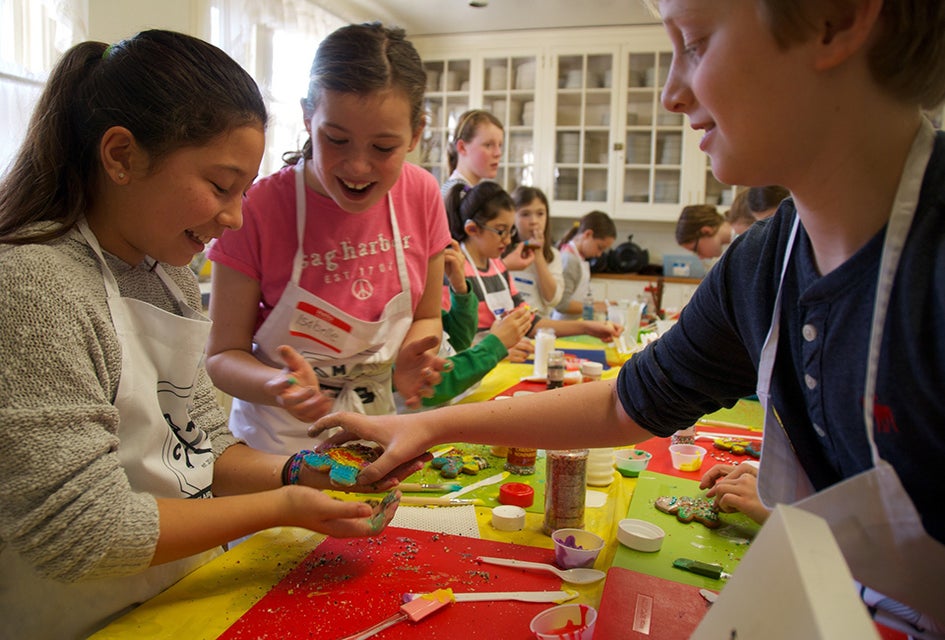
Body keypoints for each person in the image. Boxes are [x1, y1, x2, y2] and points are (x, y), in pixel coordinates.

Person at [311, 0, 945, 630]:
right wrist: (432, 428)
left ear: (835, 20)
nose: (671, 92)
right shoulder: (761, 265)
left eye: (694, 44)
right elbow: (624, 404)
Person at [0, 30, 419, 640]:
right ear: (120, 156)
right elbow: (82, 532)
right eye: (221, 187)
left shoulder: (161, 274)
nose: (235, 217)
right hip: (79, 618)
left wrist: (302, 470)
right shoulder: (31, 286)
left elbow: (202, 450)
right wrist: (284, 505)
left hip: (175, 599)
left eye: (244, 191)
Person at [205, 23, 451, 455]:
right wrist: (279, 385)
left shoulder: (422, 194)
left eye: (383, 148)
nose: (357, 167)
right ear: (307, 117)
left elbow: (427, 316)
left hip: (376, 429)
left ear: (416, 134)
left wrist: (412, 359)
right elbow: (222, 356)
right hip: (274, 446)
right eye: (335, 139)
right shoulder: (261, 206)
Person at [443, 181, 623, 343]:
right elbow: (449, 339)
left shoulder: (497, 267)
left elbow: (529, 322)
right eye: (500, 231)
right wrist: (497, 350)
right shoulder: (452, 270)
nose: (507, 240)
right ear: (472, 229)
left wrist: (588, 328)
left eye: (510, 231)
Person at [422, 239, 532, 407]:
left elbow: (457, 341)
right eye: (500, 230)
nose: (508, 240)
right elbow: (435, 384)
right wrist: (496, 344)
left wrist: (461, 289)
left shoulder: (422, 302)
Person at [504, 186, 565, 317]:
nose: (534, 222)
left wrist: (538, 255)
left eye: (540, 214)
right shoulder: (500, 250)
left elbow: (552, 299)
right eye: (525, 214)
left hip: (538, 327)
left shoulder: (553, 255)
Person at [551, 210, 617, 321]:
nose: (599, 254)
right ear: (588, 234)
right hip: (565, 325)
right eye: (600, 247)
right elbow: (562, 304)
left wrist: (603, 304)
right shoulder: (569, 260)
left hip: (575, 324)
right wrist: (595, 307)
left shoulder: (578, 258)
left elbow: (578, 300)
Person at [440, 109, 504, 199]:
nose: (498, 153)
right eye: (488, 145)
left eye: (500, 145)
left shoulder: (466, 191)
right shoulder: (459, 195)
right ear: (462, 147)